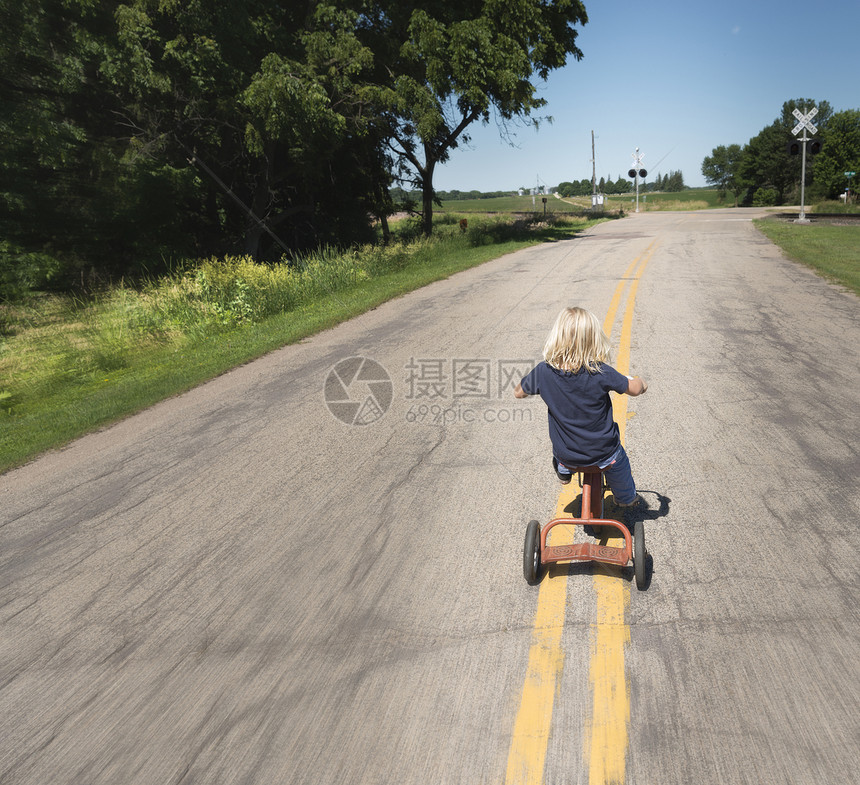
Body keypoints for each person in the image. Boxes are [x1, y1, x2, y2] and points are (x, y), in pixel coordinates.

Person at [514, 306, 647, 506]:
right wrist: (642, 382)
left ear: (557, 337)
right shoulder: (600, 371)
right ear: (593, 339)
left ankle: (564, 473)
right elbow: (635, 389)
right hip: (603, 453)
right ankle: (626, 498)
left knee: (559, 449)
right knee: (619, 461)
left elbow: (518, 392)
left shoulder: (543, 371)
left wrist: (533, 386)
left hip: (566, 454)